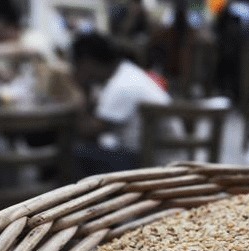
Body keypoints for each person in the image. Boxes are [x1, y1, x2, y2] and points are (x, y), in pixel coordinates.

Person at [71, 33, 174, 175]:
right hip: (155, 154)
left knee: (73, 154)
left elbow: (88, 132)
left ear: (86, 63)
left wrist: (79, 91)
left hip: (151, 161)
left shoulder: (120, 85)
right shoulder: (126, 72)